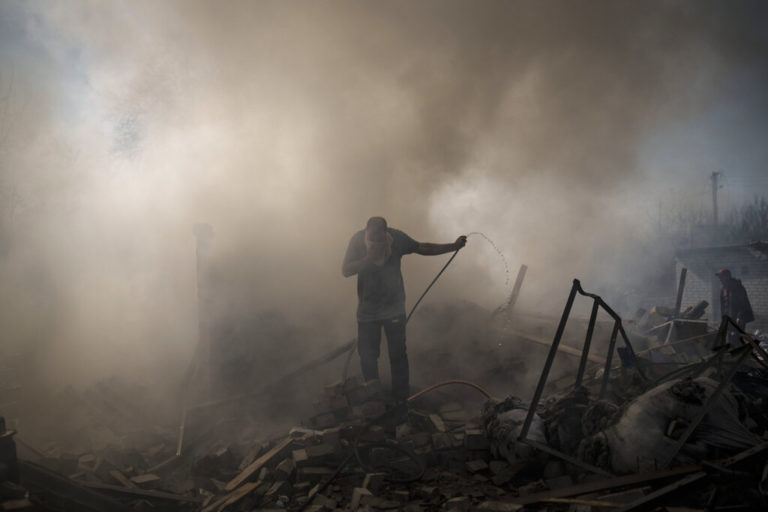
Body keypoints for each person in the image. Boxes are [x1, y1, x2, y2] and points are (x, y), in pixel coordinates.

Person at [342, 216, 467, 402]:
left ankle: (400, 402)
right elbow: (346, 270)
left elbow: (422, 247)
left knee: (398, 356)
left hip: (394, 310)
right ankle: (373, 400)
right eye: (372, 238)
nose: (377, 242)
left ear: (386, 233)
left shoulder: (397, 238)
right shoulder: (358, 241)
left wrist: (452, 246)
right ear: (367, 233)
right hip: (367, 313)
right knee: (368, 356)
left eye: (380, 239)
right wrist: (368, 258)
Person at [716, 268, 754, 342]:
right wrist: (723, 318)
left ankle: (742, 352)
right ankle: (735, 352)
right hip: (729, 318)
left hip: (739, 318)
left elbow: (743, 303)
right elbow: (723, 306)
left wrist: (740, 316)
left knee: (737, 337)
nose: (720, 279)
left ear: (727, 277)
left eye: (721, 277)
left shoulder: (737, 287)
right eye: (719, 277)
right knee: (731, 337)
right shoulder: (723, 289)